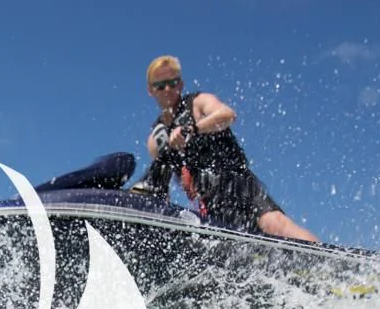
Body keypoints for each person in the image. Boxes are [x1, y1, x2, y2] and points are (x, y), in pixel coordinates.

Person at [134, 54, 318, 242]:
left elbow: (227, 115)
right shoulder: (155, 139)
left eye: (173, 83)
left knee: (274, 224)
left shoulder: (198, 103)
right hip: (209, 203)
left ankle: (334, 263)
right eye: (160, 85)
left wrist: (193, 129)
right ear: (151, 90)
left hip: (238, 184)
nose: (167, 89)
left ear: (180, 84)